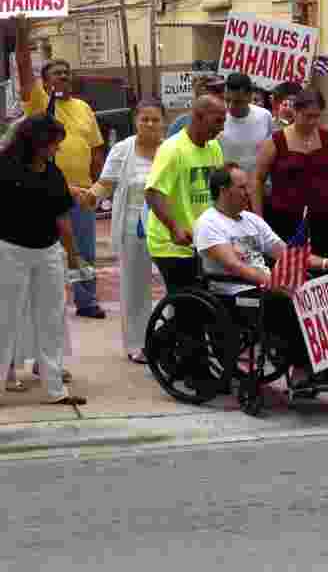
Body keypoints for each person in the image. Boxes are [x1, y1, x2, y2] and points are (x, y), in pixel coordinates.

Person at [194, 164, 328, 391]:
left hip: (264, 285)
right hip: (234, 292)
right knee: (290, 301)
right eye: (242, 188)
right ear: (223, 191)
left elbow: (288, 254)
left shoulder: (251, 220)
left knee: (325, 289)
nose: (248, 193)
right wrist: (271, 283)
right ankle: (301, 373)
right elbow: (234, 265)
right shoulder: (208, 223)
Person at [15, 15, 107, 320]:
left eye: (67, 73)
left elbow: (96, 149)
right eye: (57, 73)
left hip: (80, 193)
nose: (64, 77)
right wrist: (21, 32)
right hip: (44, 193)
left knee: (84, 249)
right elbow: (25, 73)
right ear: (46, 80)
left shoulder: (83, 108)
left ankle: (87, 300)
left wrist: (97, 186)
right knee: (45, 251)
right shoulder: (40, 103)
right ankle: (42, 306)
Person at [0, 115, 86, 405]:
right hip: (9, 251)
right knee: (5, 319)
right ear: (36, 142)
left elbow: (62, 216)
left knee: (51, 319)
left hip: (48, 251)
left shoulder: (53, 173)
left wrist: (72, 255)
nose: (57, 149)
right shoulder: (4, 168)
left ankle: (54, 389)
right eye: (53, 143)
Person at [73, 99, 165, 363]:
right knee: (135, 287)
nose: (149, 124)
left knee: (172, 285)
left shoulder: (172, 148)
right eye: (144, 119)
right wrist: (89, 196)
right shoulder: (123, 150)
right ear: (135, 121)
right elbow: (105, 184)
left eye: (155, 119)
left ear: (163, 122)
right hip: (132, 227)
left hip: (167, 227)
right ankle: (138, 344)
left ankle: (170, 339)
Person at [145, 94, 227, 292]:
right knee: (189, 306)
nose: (222, 128)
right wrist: (174, 228)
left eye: (224, 122)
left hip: (202, 242)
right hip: (171, 246)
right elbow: (153, 193)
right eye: (217, 121)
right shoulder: (172, 149)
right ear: (198, 117)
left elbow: (219, 191)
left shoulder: (214, 147)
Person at [251, 88, 328, 258]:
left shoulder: (326, 138)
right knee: (287, 271)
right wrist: (258, 220)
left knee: (325, 269)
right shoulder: (275, 141)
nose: (312, 121)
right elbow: (257, 180)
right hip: (285, 218)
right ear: (295, 111)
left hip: (323, 218)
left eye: (316, 116)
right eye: (307, 116)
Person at [219, 72, 273, 175]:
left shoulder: (265, 116)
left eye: (237, 101)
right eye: (227, 100)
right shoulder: (218, 118)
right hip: (228, 186)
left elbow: (269, 152)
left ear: (249, 97)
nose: (230, 106)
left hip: (258, 183)